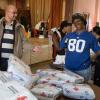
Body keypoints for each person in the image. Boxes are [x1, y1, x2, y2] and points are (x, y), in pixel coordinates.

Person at [60, 13, 100, 81]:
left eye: (78, 21)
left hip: (83, 70)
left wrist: (92, 58)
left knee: (81, 89)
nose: (76, 23)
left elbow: (98, 51)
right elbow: (61, 46)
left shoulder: (90, 36)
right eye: (74, 22)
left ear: (84, 22)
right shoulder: (69, 35)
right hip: (68, 68)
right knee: (67, 88)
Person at [0, 5, 26, 71]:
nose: (16, 15)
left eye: (16, 13)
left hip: (13, 61)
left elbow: (24, 42)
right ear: (7, 12)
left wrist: (32, 47)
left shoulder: (20, 27)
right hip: (1, 60)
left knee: (12, 80)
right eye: (14, 13)